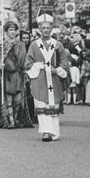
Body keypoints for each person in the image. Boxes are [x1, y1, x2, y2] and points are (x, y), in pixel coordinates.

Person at [25, 14, 69, 142]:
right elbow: (28, 63)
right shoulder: (34, 45)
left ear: (51, 28)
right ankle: (46, 132)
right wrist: (41, 66)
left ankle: (54, 131)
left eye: (48, 28)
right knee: (41, 103)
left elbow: (64, 62)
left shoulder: (58, 45)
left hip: (54, 79)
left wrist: (58, 70)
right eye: (43, 28)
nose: (45, 30)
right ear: (39, 29)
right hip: (40, 78)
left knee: (53, 104)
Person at [0, 21, 33, 129]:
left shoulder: (20, 45)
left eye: (14, 30)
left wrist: (25, 72)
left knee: (18, 100)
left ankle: (15, 118)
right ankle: (11, 121)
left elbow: (23, 60)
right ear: (6, 31)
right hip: (7, 76)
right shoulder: (0, 45)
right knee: (9, 99)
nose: (12, 32)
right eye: (10, 30)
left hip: (18, 75)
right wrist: (0, 65)